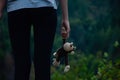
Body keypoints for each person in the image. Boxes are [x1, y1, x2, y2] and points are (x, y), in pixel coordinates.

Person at [0, 0, 70, 80]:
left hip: (17, 7)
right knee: (43, 62)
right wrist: (65, 18)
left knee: (21, 62)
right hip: (45, 6)